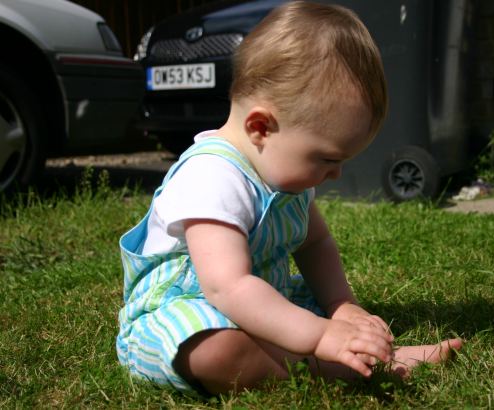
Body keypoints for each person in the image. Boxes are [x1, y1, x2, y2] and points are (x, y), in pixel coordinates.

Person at [116, 0, 462, 395]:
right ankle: (342, 367)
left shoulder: (284, 176)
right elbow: (228, 287)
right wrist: (320, 334)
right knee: (214, 351)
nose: (336, 174)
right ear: (261, 128)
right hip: (183, 312)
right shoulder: (211, 176)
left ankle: (348, 352)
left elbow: (315, 243)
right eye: (327, 158)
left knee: (322, 310)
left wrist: (340, 304)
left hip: (263, 296)